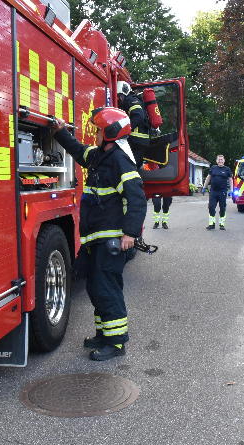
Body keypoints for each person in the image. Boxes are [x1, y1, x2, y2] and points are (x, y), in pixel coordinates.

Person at [52, 107, 146, 361]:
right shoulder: (99, 156)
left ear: (111, 133)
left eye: (98, 130)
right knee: (96, 287)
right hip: (96, 239)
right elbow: (79, 150)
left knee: (107, 290)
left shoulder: (120, 161)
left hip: (113, 239)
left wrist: (130, 234)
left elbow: (136, 199)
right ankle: (104, 334)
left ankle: (116, 343)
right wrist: (60, 132)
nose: (94, 134)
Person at [116, 81, 150, 168]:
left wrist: (124, 129)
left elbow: (138, 116)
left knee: (130, 167)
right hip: (138, 140)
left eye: (120, 96)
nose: (119, 99)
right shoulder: (130, 100)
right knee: (133, 165)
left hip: (137, 140)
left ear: (125, 91)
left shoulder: (132, 100)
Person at [203, 154, 232, 230]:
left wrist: (231, 190)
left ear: (224, 161)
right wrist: (204, 187)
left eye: (221, 159)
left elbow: (230, 180)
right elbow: (208, 177)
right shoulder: (213, 168)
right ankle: (211, 224)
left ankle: (221, 224)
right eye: (219, 159)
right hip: (213, 192)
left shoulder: (227, 169)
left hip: (222, 192)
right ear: (216, 161)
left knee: (222, 208)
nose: (220, 161)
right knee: (211, 207)